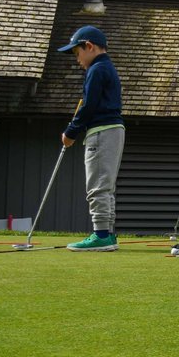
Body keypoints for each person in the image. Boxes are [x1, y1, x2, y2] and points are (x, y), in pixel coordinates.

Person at [57, 26, 125, 252]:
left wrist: (71, 132)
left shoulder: (96, 70)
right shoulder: (107, 68)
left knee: (97, 185)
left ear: (89, 46)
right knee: (106, 185)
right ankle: (108, 233)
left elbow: (88, 107)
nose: (77, 60)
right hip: (114, 128)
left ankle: (101, 235)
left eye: (77, 53)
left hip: (101, 131)